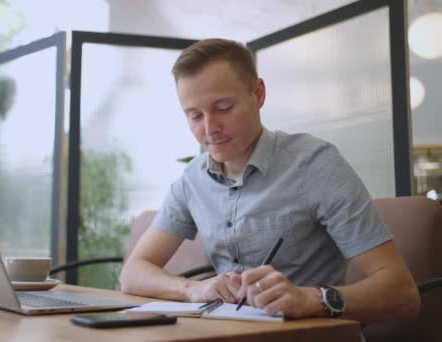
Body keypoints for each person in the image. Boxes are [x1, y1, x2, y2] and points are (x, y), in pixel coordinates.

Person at [119, 38, 420, 323]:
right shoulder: (193, 180)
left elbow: (402, 293)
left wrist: (310, 299)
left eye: (224, 108)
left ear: (258, 93)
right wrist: (192, 290)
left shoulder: (315, 164)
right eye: (195, 116)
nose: (210, 128)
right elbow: (133, 272)